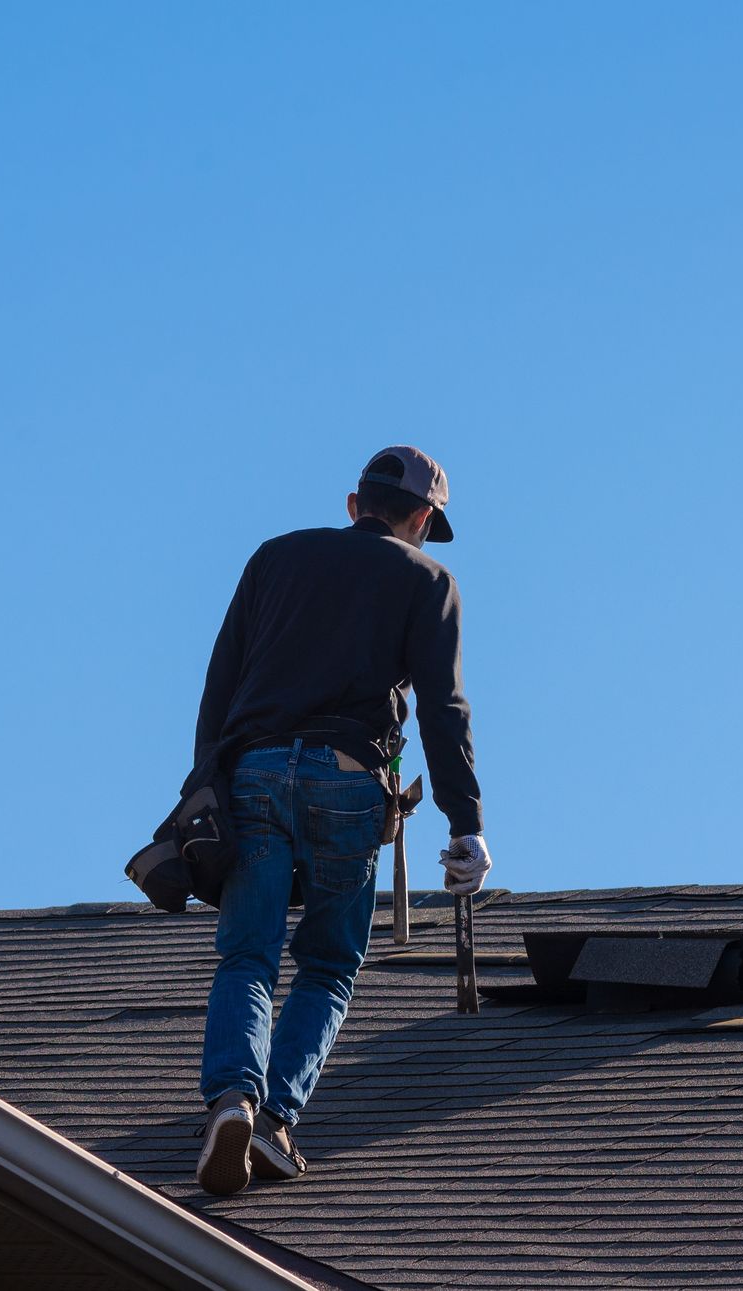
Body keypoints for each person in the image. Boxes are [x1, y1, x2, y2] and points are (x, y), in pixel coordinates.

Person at [190, 445, 492, 1196]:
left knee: (247, 955)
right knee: (326, 963)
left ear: (353, 503)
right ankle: (274, 1117)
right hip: (351, 780)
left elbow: (219, 680)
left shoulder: (274, 559)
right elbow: (442, 709)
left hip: (253, 770)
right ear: (422, 517)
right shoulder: (429, 579)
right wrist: (466, 823)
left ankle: (232, 1098)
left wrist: (205, 785)